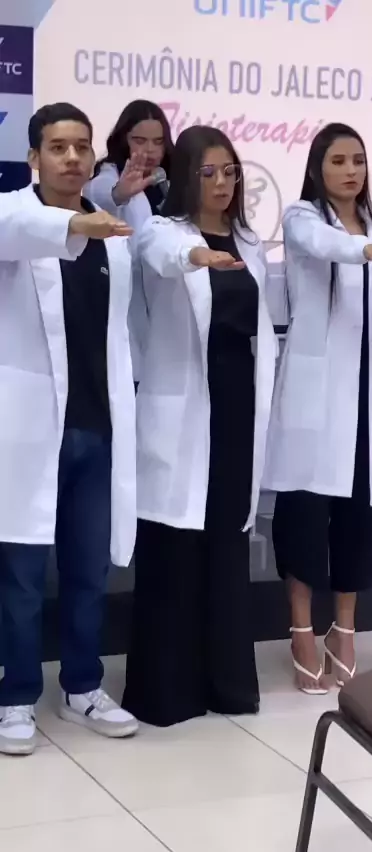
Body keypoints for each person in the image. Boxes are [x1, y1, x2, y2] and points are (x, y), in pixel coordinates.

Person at [122, 125, 277, 727]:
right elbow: (161, 255)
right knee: (177, 545)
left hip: (235, 408)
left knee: (225, 540)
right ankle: (168, 692)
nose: (222, 183)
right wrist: (197, 256)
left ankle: (227, 683)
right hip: (184, 410)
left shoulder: (249, 242)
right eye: (209, 173)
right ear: (187, 176)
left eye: (230, 172)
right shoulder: (164, 231)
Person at [0, 102, 139, 755]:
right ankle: (15, 696)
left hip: (97, 427)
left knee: (87, 570)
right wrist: (76, 222)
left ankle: (83, 686)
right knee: (23, 575)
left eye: (82, 146)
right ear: (34, 158)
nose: (73, 157)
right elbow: (15, 227)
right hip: (32, 431)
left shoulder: (112, 236)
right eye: (58, 147)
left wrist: (93, 220)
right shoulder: (14, 215)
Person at [263, 123, 372, 694]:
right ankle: (301, 629)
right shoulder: (302, 219)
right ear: (316, 169)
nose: (351, 171)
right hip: (313, 396)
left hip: (363, 397)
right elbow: (328, 247)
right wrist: (366, 251)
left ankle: (344, 630)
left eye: (358, 161)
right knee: (304, 518)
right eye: (338, 161)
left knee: (355, 520)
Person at [85, 100, 174, 380]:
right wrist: (119, 194)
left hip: (165, 301)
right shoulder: (108, 176)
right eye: (139, 140)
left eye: (158, 142)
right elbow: (98, 197)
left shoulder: (167, 182)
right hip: (128, 304)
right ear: (123, 139)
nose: (149, 150)